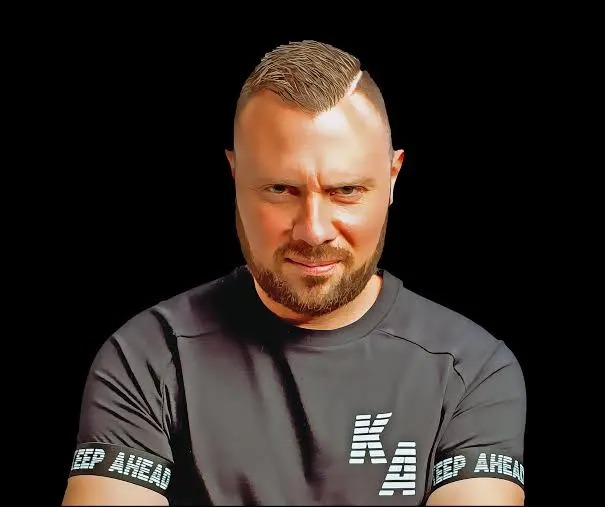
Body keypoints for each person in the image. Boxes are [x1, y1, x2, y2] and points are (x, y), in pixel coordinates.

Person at [62, 40, 526, 505]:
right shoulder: (148, 358)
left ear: (392, 179)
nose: (314, 230)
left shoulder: (470, 370)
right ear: (235, 176)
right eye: (281, 189)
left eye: (346, 190)